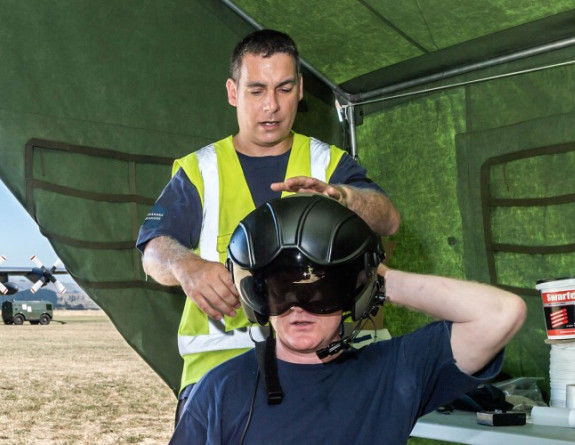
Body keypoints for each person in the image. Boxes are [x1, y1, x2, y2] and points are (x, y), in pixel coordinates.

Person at [136, 29, 401, 422]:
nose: (271, 106)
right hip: (220, 384)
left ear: (300, 90)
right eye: (257, 90)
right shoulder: (199, 171)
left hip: (326, 376)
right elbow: (154, 249)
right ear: (232, 91)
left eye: (284, 88)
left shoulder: (329, 163)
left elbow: (388, 218)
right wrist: (185, 266)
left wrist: (343, 197)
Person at [169, 193, 527, 444]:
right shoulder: (219, 390)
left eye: (318, 293)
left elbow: (501, 313)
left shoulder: (395, 370)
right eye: (281, 293)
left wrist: (379, 278)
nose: (298, 308)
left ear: (350, 294)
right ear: (259, 297)